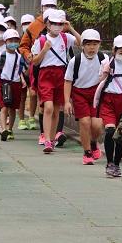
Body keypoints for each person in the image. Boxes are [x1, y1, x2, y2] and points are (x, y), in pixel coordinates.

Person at [31, 9, 81, 153]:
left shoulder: (65, 37)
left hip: (61, 74)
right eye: (54, 23)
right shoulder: (41, 40)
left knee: (56, 109)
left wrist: (71, 28)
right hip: (46, 75)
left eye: (60, 24)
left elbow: (81, 42)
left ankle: (51, 140)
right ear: (48, 24)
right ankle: (46, 138)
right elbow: (35, 62)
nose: (57, 26)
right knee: (48, 107)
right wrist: (44, 50)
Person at [19, 0, 66, 145]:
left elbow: (70, 42)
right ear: (41, 8)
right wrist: (28, 56)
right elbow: (23, 45)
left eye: (52, 6)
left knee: (58, 103)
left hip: (60, 68)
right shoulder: (34, 25)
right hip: (40, 67)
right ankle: (43, 134)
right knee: (44, 102)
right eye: (47, 6)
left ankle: (58, 132)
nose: (49, 9)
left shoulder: (61, 21)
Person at [93, 35, 122, 177]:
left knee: (120, 135)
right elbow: (100, 79)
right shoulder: (106, 63)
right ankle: (109, 163)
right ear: (114, 50)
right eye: (120, 52)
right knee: (109, 131)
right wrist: (106, 70)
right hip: (108, 100)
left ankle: (117, 164)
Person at [64, 29, 108, 165]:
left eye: (95, 44)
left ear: (99, 44)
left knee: (97, 124)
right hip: (79, 93)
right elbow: (68, 81)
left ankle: (93, 142)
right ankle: (87, 152)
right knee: (84, 122)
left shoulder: (104, 59)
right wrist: (67, 101)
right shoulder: (75, 61)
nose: (92, 47)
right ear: (82, 45)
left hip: (96, 93)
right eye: (88, 44)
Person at [0, 29, 26, 142]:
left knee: (13, 108)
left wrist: (23, 80)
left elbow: (21, 70)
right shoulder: (1, 56)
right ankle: (4, 128)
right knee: (4, 106)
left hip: (16, 84)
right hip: (4, 83)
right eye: (11, 40)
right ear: (5, 41)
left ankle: (10, 129)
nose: (13, 43)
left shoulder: (19, 57)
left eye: (16, 40)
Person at [17, 14, 37, 131]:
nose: (27, 26)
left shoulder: (37, 40)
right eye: (24, 24)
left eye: (29, 23)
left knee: (33, 94)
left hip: (33, 72)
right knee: (22, 96)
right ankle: (21, 120)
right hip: (21, 72)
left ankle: (31, 117)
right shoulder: (17, 40)